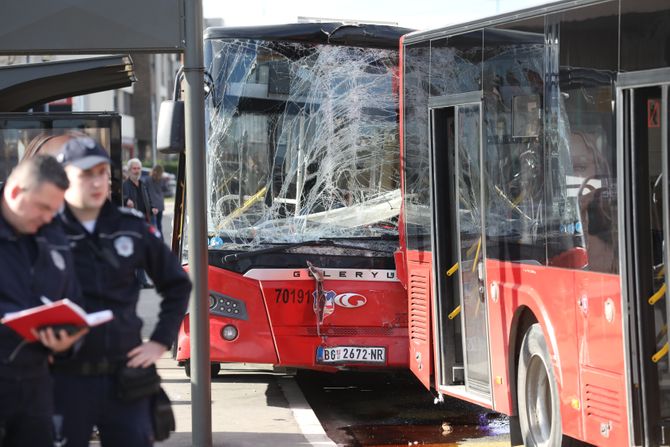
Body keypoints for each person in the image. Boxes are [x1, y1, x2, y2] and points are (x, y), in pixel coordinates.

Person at [50, 136, 191, 447]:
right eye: (86, 174)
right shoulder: (46, 231)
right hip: (65, 377)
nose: (97, 182)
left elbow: (177, 284)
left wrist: (159, 341)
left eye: (102, 172)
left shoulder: (131, 227)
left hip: (125, 376)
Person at [0, 155, 87, 447]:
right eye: (43, 207)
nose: (50, 217)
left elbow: (73, 299)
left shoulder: (54, 237)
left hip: (35, 390)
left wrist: (68, 342)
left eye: (55, 208)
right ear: (15, 193)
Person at [122, 158, 157, 222]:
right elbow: (122, 199)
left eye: (138, 168)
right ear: (129, 170)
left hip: (146, 220)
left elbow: (149, 199)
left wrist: (152, 208)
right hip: (133, 220)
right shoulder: (124, 185)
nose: (137, 171)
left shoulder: (143, 184)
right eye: (134, 168)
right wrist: (126, 201)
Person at [145, 165, 168, 239]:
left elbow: (145, 191)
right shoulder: (162, 180)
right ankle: (161, 242)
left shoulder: (148, 179)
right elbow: (166, 189)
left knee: (153, 225)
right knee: (159, 225)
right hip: (160, 204)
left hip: (152, 204)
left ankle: (155, 242)